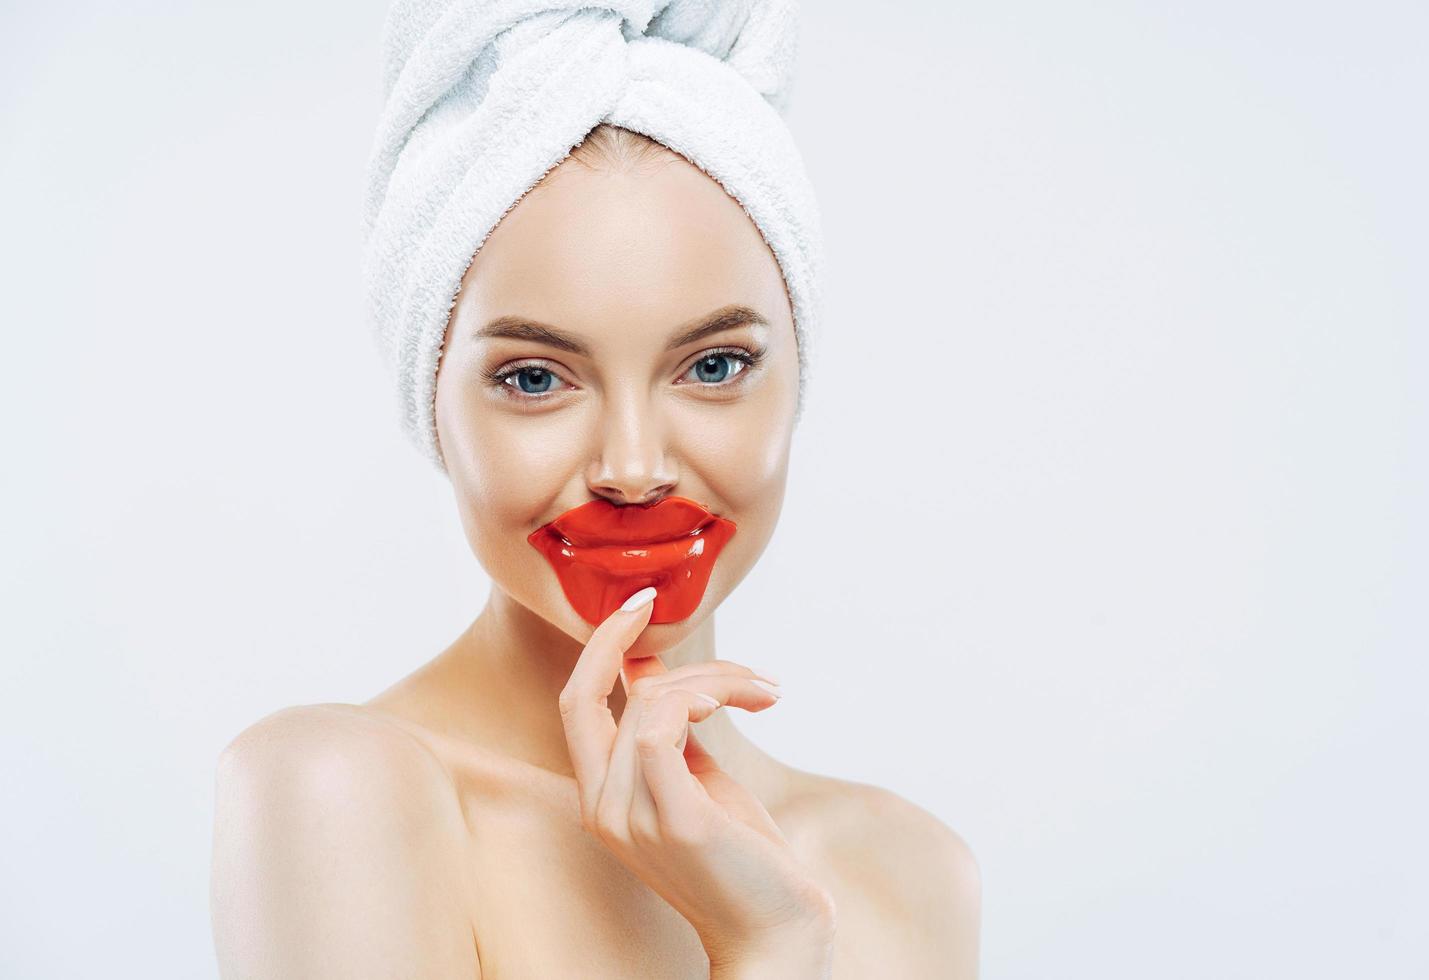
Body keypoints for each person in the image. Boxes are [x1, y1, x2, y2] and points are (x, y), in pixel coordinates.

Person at [210, 23, 979, 980]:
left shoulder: (908, 871)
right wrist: (766, 950)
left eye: (714, 365)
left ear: (798, 380)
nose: (632, 466)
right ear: (432, 404)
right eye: (536, 379)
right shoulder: (338, 789)